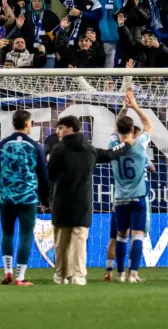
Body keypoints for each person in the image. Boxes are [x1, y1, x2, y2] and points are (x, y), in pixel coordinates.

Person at [47, 116, 115, 285]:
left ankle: (61, 275)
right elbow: (111, 155)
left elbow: (50, 175)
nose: (58, 132)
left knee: (61, 239)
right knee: (79, 238)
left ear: (70, 129)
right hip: (83, 200)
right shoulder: (90, 150)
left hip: (62, 199)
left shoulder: (58, 149)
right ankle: (78, 274)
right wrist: (127, 144)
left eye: (61, 128)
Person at [0, 109, 49, 286]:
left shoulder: (2, 144)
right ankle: (19, 277)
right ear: (26, 124)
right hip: (28, 198)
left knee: (7, 233)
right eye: (30, 123)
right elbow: (43, 176)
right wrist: (45, 200)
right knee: (25, 235)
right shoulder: (35, 146)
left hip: (8, 197)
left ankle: (7, 272)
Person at [109, 88, 153, 284]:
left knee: (121, 235)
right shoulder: (140, 144)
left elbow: (114, 129)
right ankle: (133, 274)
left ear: (119, 129)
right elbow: (148, 125)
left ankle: (120, 274)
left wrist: (124, 110)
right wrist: (134, 105)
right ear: (132, 130)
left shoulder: (112, 145)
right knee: (137, 235)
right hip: (138, 197)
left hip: (120, 198)